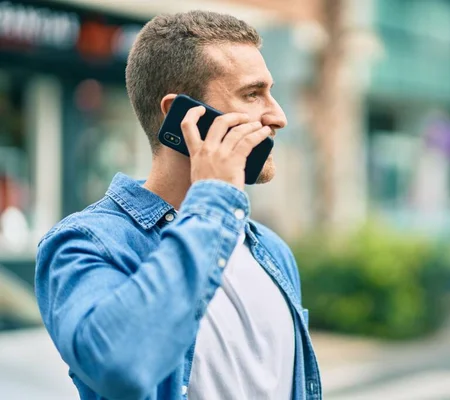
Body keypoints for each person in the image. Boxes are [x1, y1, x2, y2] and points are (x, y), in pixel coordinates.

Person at [35, 10, 321, 400]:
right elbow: (121, 366)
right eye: (253, 94)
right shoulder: (86, 244)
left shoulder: (272, 251)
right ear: (181, 115)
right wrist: (214, 199)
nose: (278, 116)